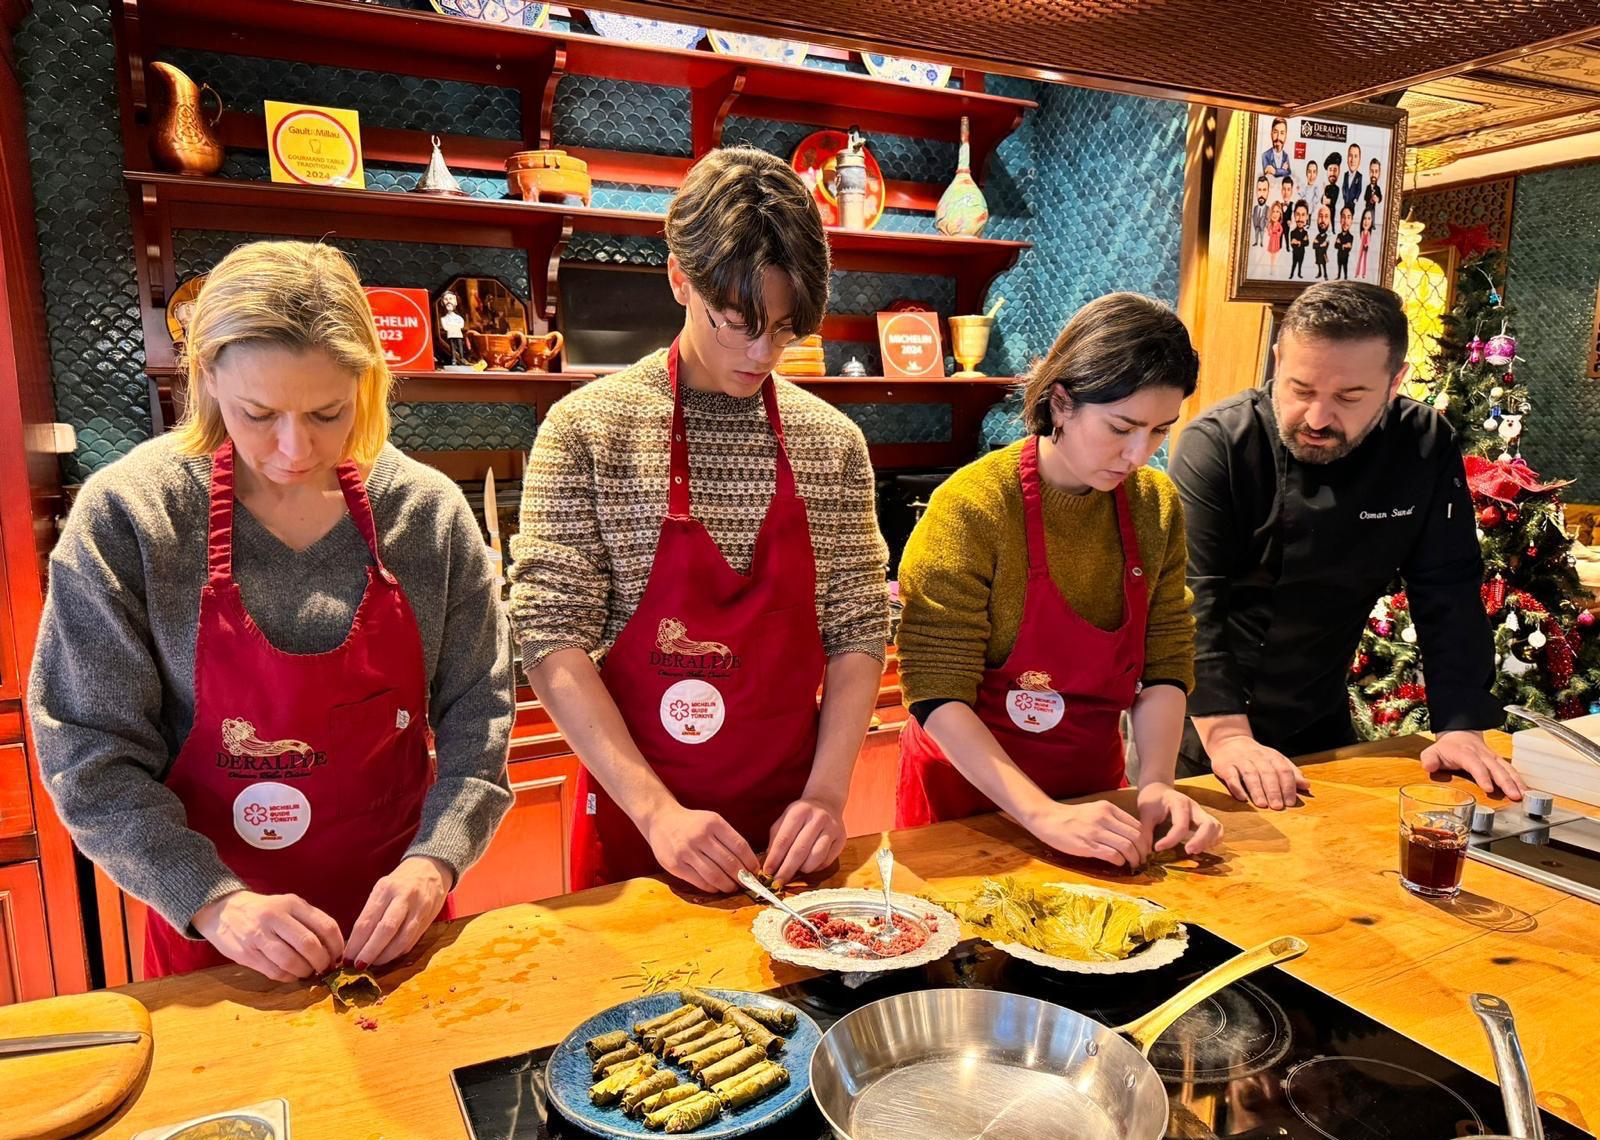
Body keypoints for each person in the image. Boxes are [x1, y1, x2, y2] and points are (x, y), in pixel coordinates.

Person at [29, 241, 515, 980]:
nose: (295, 448)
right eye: (258, 414)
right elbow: (88, 754)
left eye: (328, 412)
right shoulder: (133, 515)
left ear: (368, 384)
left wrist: (439, 858)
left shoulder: (426, 514)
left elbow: (478, 712)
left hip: (399, 928)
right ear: (207, 379)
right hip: (215, 947)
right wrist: (214, 902)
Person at [510, 147, 889, 894]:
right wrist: (658, 814)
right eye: (738, 322)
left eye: (785, 329)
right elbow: (548, 631)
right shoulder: (588, 429)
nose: (761, 352)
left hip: (792, 839)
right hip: (639, 833)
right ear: (680, 277)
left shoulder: (832, 444)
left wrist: (826, 793)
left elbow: (857, 626)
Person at [895, 293, 1221, 869]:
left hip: (1094, 800)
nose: (1138, 455)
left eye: (1159, 432)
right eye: (1121, 427)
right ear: (1062, 402)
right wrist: (1041, 814)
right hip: (966, 805)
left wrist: (1157, 783)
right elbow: (937, 693)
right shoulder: (972, 509)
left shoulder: (1155, 507)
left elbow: (1165, 662)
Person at [1168, 281, 1522, 808]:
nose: (1316, 418)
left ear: (1395, 381)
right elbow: (1192, 598)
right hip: (1201, 722)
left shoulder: (1424, 444)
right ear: (1277, 360)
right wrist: (1228, 736)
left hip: (1320, 713)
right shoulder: (1219, 445)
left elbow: (1447, 588)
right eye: (1301, 389)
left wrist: (1461, 723)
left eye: (1349, 397)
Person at [1261, 117, 1294, 181]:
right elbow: (1268, 174)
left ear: (1285, 136)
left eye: (1282, 133)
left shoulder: (1286, 156)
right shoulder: (1265, 155)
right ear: (1271, 134)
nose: (1278, 137)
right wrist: (1283, 171)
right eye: (1275, 132)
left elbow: (1288, 173)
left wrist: (1275, 171)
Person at [1341, 143, 1365, 217]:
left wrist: (1356, 198)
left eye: (1356, 156)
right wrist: (1344, 195)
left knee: (1351, 213)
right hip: (1346, 199)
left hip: (1353, 201)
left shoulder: (1359, 176)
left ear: (1359, 160)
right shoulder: (1345, 175)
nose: (1353, 160)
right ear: (1347, 159)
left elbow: (1359, 189)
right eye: (1350, 156)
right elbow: (1344, 186)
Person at [1288, 203, 1309, 280]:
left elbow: (1307, 243)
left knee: (1300, 264)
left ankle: (1299, 274)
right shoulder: (1293, 232)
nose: (1300, 218)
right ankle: (1291, 274)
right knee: (1294, 264)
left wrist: (1298, 242)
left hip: (1302, 252)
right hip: (1295, 253)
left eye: (1303, 215)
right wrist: (1301, 241)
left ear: (1307, 217)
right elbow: (1292, 244)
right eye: (1298, 214)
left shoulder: (1305, 232)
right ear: (1294, 215)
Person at [1335, 207, 1355, 280]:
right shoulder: (1339, 235)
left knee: (1345, 266)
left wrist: (1341, 245)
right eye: (1343, 217)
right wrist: (1344, 245)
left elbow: (1349, 247)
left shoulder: (1350, 236)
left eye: (1348, 217)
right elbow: (1336, 245)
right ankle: (1339, 276)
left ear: (1352, 220)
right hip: (1339, 255)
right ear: (1340, 220)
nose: (1345, 221)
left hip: (1345, 256)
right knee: (1339, 266)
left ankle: (1345, 277)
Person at [1356, 207, 1375, 279]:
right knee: (1359, 259)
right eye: (1364, 218)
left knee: (1365, 260)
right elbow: (1361, 239)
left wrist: (1366, 245)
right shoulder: (1362, 232)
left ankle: (1363, 273)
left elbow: (1368, 241)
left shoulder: (1369, 233)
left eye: (1369, 219)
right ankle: (1357, 273)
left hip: (1366, 248)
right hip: (1361, 247)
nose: (1366, 221)